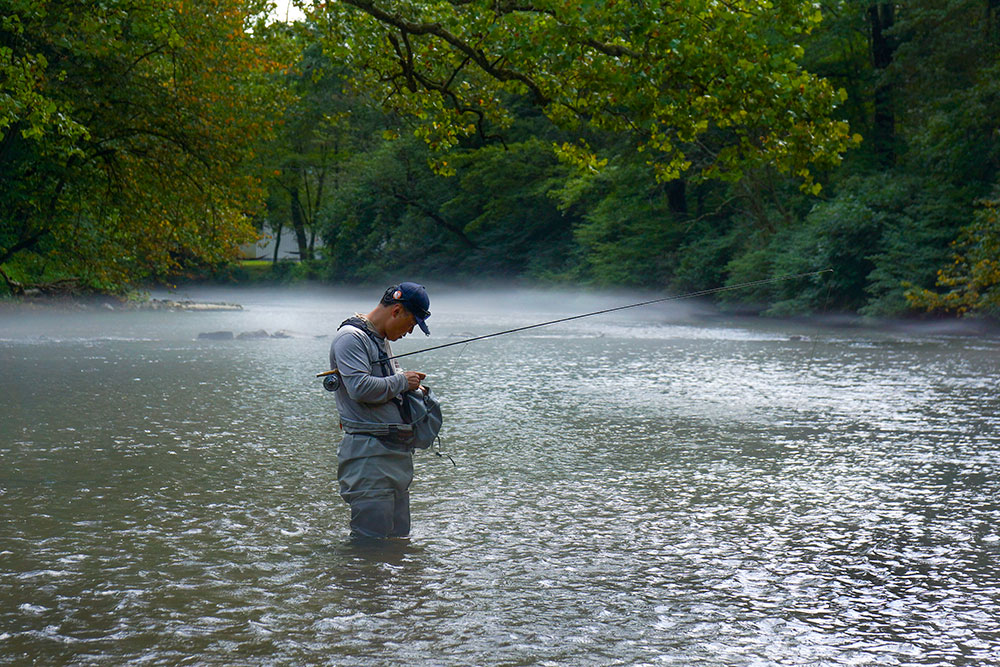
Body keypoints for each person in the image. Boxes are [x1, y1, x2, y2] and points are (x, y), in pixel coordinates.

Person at [329, 282, 432, 539]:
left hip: (393, 457)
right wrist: (402, 381)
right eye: (411, 324)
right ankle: (359, 579)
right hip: (369, 458)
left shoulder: (380, 338)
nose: (409, 332)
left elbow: (388, 384)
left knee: (399, 539)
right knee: (370, 541)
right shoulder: (350, 338)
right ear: (397, 310)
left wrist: (413, 389)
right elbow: (359, 388)